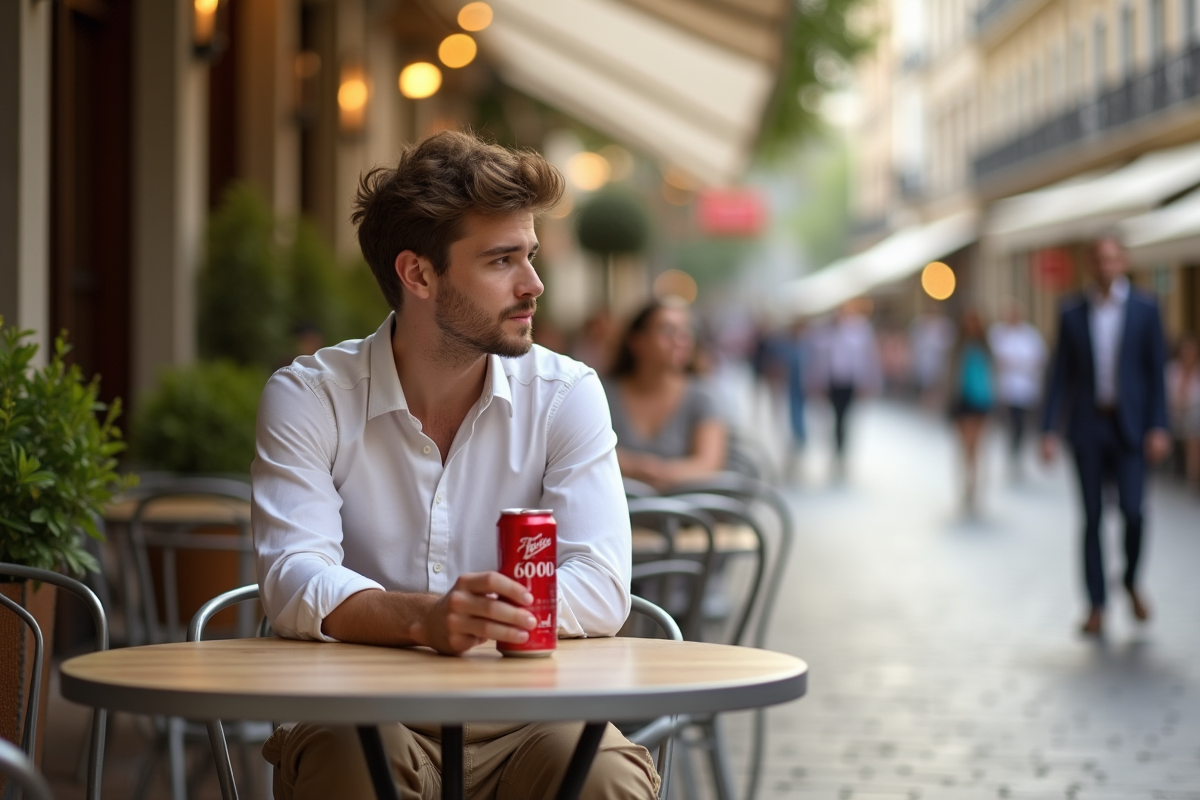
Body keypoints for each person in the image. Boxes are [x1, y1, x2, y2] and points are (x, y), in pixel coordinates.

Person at [252, 131, 658, 800]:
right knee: (351, 761)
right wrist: (424, 619)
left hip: (532, 712)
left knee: (604, 775)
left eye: (528, 255)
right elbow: (294, 577)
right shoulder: (310, 396)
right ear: (418, 274)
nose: (534, 285)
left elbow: (602, 582)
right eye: (502, 261)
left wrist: (475, 620)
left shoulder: (567, 394)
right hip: (366, 706)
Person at [1040, 236, 1170, 637]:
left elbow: (1156, 374)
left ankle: (1130, 579)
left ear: (1124, 261)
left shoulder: (1147, 309)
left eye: (1112, 258)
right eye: (1098, 259)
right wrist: (1048, 429)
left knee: (1134, 511)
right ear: (1089, 264)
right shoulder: (1071, 311)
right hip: (1088, 427)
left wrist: (1159, 426)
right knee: (1092, 518)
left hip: (1130, 427)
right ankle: (1096, 604)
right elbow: (1059, 374)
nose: (1106, 265)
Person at [605, 298, 728, 492]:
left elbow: (709, 464)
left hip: (689, 515)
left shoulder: (703, 397)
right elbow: (585, 451)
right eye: (667, 331)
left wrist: (656, 472)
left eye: (686, 332)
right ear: (637, 341)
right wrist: (639, 467)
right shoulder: (603, 393)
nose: (680, 340)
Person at [809, 302, 882, 477]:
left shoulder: (860, 330)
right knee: (835, 418)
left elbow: (868, 357)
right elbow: (819, 358)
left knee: (845, 418)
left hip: (850, 381)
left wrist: (869, 381)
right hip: (833, 381)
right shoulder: (826, 332)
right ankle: (836, 449)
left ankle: (841, 451)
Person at [988, 300, 1046, 479]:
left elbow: (1038, 359)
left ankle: (1016, 453)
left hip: (1024, 389)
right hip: (1004, 389)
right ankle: (1011, 452)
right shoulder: (997, 333)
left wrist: (1016, 364)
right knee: (1009, 423)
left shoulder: (1030, 335)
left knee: (1020, 424)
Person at [947, 309, 995, 514]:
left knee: (976, 446)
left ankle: (973, 485)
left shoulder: (986, 349)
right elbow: (949, 375)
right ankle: (967, 483)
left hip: (981, 401)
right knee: (965, 446)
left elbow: (993, 374)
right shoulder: (957, 349)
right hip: (962, 401)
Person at [1166, 333, 1200, 491]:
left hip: (1194, 417)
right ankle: (1194, 480)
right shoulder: (1172, 371)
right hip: (1175, 418)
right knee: (1194, 432)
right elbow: (1168, 400)